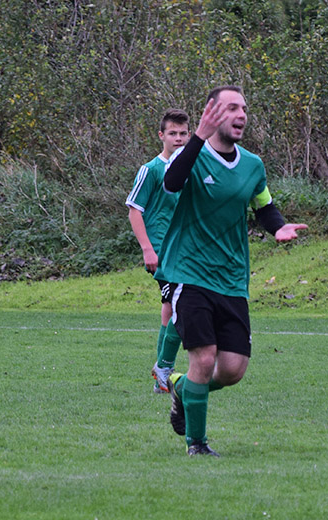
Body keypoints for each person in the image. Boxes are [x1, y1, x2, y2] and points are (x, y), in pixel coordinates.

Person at [155, 85, 307, 456]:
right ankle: (198, 445)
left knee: (232, 370)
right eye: (232, 108)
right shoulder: (192, 155)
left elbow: (264, 207)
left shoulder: (253, 165)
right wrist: (198, 136)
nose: (241, 115)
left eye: (244, 109)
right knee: (204, 358)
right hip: (189, 273)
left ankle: (179, 385)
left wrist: (278, 227)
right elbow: (171, 182)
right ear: (212, 113)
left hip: (232, 279)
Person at [126, 109, 190, 394]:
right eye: (173, 133)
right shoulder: (150, 170)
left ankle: (162, 373)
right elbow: (134, 211)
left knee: (171, 308)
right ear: (161, 136)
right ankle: (164, 370)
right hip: (163, 253)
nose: (178, 138)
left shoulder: (193, 167)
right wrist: (147, 249)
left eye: (183, 133)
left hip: (186, 249)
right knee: (180, 306)